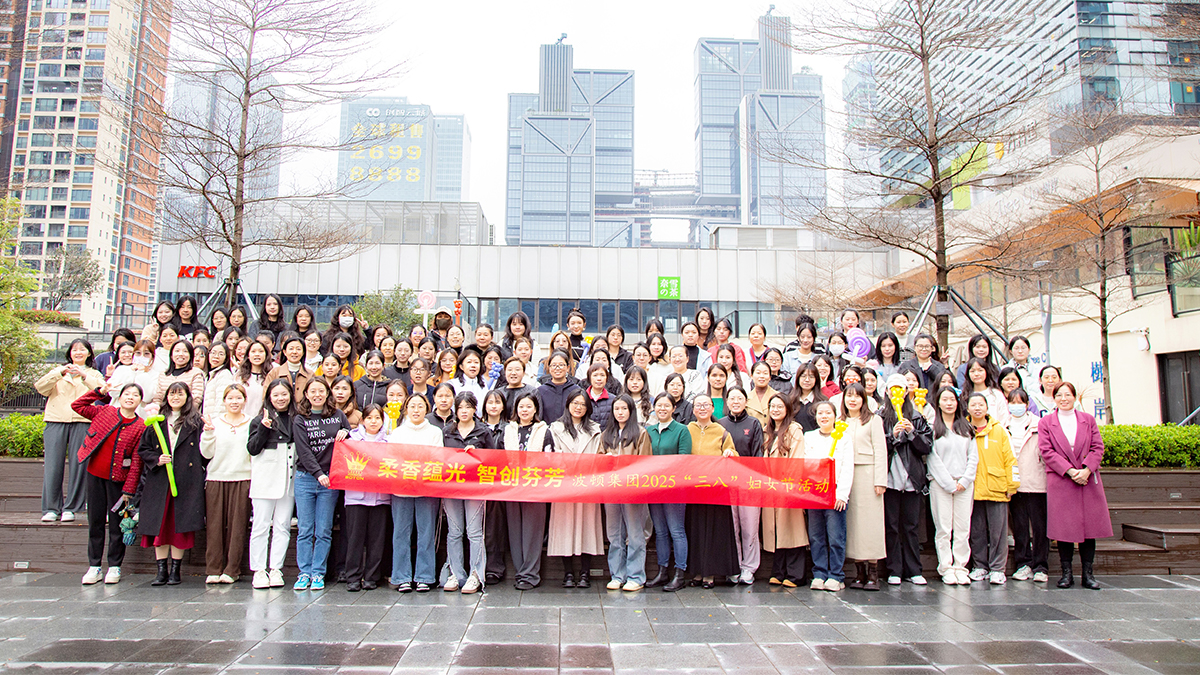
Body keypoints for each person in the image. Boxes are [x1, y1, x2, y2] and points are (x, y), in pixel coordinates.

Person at [1038, 382, 1111, 590]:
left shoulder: (1088, 420)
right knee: (1065, 528)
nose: (1064, 399)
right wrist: (1070, 471)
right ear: (1054, 398)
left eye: (1067, 395)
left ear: (1075, 397)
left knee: (1089, 528)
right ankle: (1066, 573)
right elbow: (1047, 451)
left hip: (1087, 479)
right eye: (1059, 395)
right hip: (1062, 479)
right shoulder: (1046, 422)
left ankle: (1088, 574)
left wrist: (1087, 470)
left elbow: (1097, 447)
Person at [71, 383, 146, 585]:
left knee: (116, 525)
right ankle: (94, 566)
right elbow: (77, 406)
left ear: (140, 401)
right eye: (127, 394)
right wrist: (99, 392)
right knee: (95, 521)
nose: (130, 397)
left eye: (135, 395)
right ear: (119, 397)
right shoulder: (105, 412)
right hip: (95, 475)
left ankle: (114, 566)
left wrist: (129, 489)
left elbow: (137, 462)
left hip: (118, 481)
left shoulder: (141, 426)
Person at [137, 382, 204, 586]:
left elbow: (203, 451)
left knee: (179, 527)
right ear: (166, 397)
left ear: (187, 397)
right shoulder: (156, 421)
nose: (176, 397)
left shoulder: (196, 422)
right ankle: (161, 570)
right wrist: (156, 459)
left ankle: (176, 570)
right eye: (172, 394)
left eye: (180, 394)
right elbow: (143, 449)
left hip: (186, 481)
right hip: (160, 481)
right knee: (160, 525)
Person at [292, 378, 352, 591]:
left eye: (321, 391)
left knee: (324, 530)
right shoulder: (300, 419)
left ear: (327, 394)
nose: (317, 395)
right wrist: (318, 474)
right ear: (306, 394)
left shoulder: (338, 415)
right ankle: (304, 572)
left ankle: (318, 572)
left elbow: (350, 442)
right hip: (306, 478)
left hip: (330, 479)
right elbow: (303, 451)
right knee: (305, 529)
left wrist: (346, 433)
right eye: (313, 391)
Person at [36, 339, 104, 523]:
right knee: (52, 466)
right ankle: (51, 508)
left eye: (82, 349)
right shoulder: (58, 371)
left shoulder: (93, 373)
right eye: (74, 350)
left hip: (83, 421)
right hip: (56, 420)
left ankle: (71, 508)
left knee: (79, 466)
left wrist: (83, 374)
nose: (78, 352)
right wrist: (60, 372)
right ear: (70, 353)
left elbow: (102, 390)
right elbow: (41, 388)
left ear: (89, 353)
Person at [547, 390, 604, 588]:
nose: (578, 407)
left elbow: (598, 455)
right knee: (565, 528)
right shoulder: (556, 428)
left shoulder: (595, 429)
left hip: (587, 484)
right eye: (575, 403)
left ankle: (585, 573)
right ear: (568, 404)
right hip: (564, 484)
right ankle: (568, 573)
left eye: (582, 404)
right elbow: (553, 455)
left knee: (587, 527)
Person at [880, 373, 933, 586]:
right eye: (892, 389)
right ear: (887, 392)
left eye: (900, 389)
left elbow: (927, 446)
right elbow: (878, 447)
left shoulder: (917, 417)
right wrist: (892, 436)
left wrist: (912, 433)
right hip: (890, 480)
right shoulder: (880, 417)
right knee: (891, 526)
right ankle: (894, 569)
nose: (897, 393)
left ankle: (914, 569)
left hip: (912, 480)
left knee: (911, 526)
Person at [387, 394, 444, 593]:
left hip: (426, 490)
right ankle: (401, 576)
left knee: (426, 533)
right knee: (400, 534)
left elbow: (437, 458)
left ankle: (424, 577)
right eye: (412, 406)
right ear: (406, 409)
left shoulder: (435, 432)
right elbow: (392, 459)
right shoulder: (397, 433)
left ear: (426, 409)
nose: (416, 410)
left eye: (420, 406)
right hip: (401, 490)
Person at [200, 384, 254, 584]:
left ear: (245, 400)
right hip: (216, 477)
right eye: (230, 398)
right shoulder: (214, 423)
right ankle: (213, 569)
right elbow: (206, 453)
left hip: (243, 478)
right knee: (214, 526)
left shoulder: (252, 423)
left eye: (238, 398)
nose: (234, 402)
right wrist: (208, 434)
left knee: (237, 526)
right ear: (224, 401)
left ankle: (232, 570)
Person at [247, 378, 298, 589]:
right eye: (275, 395)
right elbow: (252, 448)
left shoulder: (296, 419)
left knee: (282, 526)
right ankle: (259, 570)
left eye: (284, 394)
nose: (280, 398)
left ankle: (276, 568)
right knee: (260, 526)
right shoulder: (260, 420)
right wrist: (263, 429)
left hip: (288, 480)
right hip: (265, 480)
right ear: (269, 397)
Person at [685, 395, 740, 588]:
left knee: (714, 532)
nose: (702, 408)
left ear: (712, 408)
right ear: (693, 409)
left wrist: (730, 453)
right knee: (696, 530)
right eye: (698, 405)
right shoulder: (687, 430)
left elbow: (734, 454)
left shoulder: (721, 431)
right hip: (693, 489)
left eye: (706, 405)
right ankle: (698, 572)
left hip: (716, 489)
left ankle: (710, 574)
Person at [599, 395, 652, 592]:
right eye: (617, 409)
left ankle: (636, 576)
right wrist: (607, 459)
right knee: (614, 534)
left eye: (624, 409)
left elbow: (645, 462)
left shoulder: (640, 433)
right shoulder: (607, 434)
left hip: (632, 490)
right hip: (612, 490)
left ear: (631, 411)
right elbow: (598, 460)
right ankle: (617, 574)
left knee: (635, 533)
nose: (620, 412)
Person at [501, 392, 554, 590]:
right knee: (515, 532)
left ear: (535, 410)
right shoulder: (508, 430)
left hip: (535, 488)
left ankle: (530, 574)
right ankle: (520, 572)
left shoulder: (544, 431)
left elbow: (549, 460)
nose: (524, 410)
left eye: (529, 406)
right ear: (516, 409)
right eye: (521, 406)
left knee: (533, 532)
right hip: (512, 487)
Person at [441, 392, 492, 594]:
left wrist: (478, 454)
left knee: (474, 532)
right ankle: (455, 573)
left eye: (468, 407)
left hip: (475, 489)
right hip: (451, 488)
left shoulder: (483, 431)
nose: (464, 411)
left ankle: (476, 574)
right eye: (460, 407)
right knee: (454, 532)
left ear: (474, 409)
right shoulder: (447, 431)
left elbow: (493, 459)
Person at [966, 391, 1018, 585]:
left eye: (981, 404)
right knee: (976, 531)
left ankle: (997, 568)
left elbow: (1010, 458)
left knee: (998, 532)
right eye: (973, 405)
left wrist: (1012, 484)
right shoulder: (964, 429)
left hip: (997, 487)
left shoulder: (999, 430)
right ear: (968, 408)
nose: (977, 408)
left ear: (987, 408)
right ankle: (980, 566)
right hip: (973, 489)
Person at [927, 386, 977, 586]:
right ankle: (946, 567)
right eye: (944, 399)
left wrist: (964, 481)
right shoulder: (933, 428)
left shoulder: (966, 427)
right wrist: (949, 483)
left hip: (964, 484)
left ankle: (960, 566)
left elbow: (973, 457)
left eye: (952, 400)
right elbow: (932, 458)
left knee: (963, 528)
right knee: (944, 528)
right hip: (941, 484)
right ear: (938, 403)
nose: (949, 403)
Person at [841, 383, 888, 592]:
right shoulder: (840, 422)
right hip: (846, 475)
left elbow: (881, 451)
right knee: (853, 525)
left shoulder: (874, 420)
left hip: (868, 474)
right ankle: (859, 571)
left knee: (871, 524)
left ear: (864, 399)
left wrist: (880, 480)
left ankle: (873, 572)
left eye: (857, 396)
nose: (852, 400)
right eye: (849, 396)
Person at [802, 400, 851, 591]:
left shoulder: (843, 437)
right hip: (815, 492)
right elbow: (805, 463)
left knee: (836, 535)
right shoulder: (809, 437)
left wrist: (842, 495)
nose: (824, 416)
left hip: (835, 492)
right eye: (820, 413)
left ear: (835, 416)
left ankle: (836, 575)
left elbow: (847, 467)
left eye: (828, 413)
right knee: (816, 535)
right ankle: (819, 573)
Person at [645, 393, 691, 593]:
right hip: (654, 489)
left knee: (676, 531)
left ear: (674, 408)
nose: (662, 409)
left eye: (666, 405)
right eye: (659, 405)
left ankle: (680, 574)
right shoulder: (649, 431)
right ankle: (662, 571)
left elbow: (684, 459)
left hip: (674, 489)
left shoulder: (682, 430)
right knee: (660, 531)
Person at [342, 405, 391, 592]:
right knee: (355, 539)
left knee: (376, 540)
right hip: (356, 497)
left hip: (380, 498)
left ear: (383, 421)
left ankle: (371, 577)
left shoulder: (389, 442)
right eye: (369, 418)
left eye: (377, 418)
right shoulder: (351, 440)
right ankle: (353, 577)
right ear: (363, 420)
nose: (373, 421)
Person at [719, 388, 765, 585]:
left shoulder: (753, 424)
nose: (736, 401)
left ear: (746, 401)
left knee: (749, 527)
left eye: (740, 398)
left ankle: (749, 567)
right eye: (732, 398)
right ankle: (735, 565)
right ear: (727, 401)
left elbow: (758, 455)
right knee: (732, 526)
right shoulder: (720, 424)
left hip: (748, 483)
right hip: (727, 483)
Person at [762, 394, 807, 587]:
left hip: (788, 486)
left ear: (787, 409)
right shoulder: (767, 431)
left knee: (792, 530)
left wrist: (788, 485)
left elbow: (797, 460)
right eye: (772, 406)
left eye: (780, 406)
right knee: (777, 530)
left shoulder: (794, 430)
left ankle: (796, 574)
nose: (775, 410)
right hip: (770, 488)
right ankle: (778, 572)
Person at [1007, 387, 1049, 584]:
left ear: (1027, 404)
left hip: (1036, 481)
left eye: (1020, 402)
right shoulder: (1003, 425)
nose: (1016, 406)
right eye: (1013, 402)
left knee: (1040, 527)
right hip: (1014, 484)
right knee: (1020, 526)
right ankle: (1023, 564)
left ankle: (1041, 565)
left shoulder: (1039, 425)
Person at [148, 340, 206, 417]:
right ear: (171, 355)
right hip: (165, 416)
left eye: (185, 351)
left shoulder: (196, 373)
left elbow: (196, 398)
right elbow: (158, 398)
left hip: (187, 416)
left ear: (190, 355)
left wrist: (179, 413)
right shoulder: (163, 374)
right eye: (177, 351)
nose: (180, 354)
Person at [536, 350, 580, 424]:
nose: (557, 368)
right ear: (549, 368)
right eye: (554, 365)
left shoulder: (575, 390)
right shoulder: (541, 391)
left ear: (568, 367)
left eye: (561, 365)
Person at [960, 357, 1008, 424]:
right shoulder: (964, 396)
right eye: (972, 371)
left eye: (980, 370)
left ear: (986, 372)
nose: (976, 374)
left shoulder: (996, 394)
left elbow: (1004, 417)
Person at [789, 362, 826, 432]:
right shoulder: (790, 400)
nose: (807, 380)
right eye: (803, 376)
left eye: (811, 376)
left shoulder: (822, 402)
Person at [745, 361, 777, 427]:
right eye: (758, 373)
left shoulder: (778, 396)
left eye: (765, 373)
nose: (761, 376)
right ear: (751, 376)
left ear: (770, 377)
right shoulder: (746, 399)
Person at [584, 364, 615, 430]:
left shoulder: (613, 400)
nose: (599, 379)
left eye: (602, 375)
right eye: (595, 375)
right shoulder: (582, 398)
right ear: (589, 378)